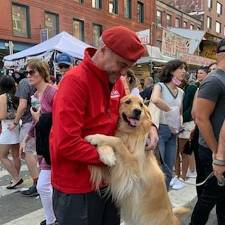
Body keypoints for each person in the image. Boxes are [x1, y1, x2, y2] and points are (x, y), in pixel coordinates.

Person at [50, 26, 158, 225]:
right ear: (103, 50)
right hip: (78, 188)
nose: (124, 72)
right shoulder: (74, 82)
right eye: (121, 64)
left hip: (109, 184)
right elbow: (66, 143)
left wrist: (150, 127)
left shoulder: (116, 80)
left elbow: (128, 115)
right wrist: (120, 158)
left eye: (128, 66)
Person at [190, 39, 225, 225]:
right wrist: (215, 152)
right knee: (208, 198)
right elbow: (200, 117)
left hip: (219, 150)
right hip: (213, 151)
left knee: (220, 197)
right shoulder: (214, 80)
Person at [20, 59, 57, 225]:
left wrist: (41, 119)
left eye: (31, 72)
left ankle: (52, 219)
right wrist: (26, 138)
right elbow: (36, 122)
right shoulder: (34, 96)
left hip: (55, 145)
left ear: (42, 73)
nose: (28, 76)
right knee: (50, 185)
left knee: (43, 185)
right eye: (27, 72)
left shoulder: (52, 92)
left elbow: (60, 119)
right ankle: (54, 218)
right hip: (43, 145)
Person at [151, 59, 186, 189]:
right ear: (171, 71)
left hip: (174, 132)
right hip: (160, 130)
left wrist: (178, 122)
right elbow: (155, 99)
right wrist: (170, 111)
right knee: (159, 168)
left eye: (185, 68)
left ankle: (164, 198)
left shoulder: (181, 92)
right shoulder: (159, 86)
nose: (184, 71)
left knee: (169, 169)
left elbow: (180, 112)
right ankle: (155, 202)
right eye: (181, 68)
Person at [9, 77, 39, 197]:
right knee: (33, 152)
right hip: (40, 119)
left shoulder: (24, 82)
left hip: (28, 121)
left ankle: (37, 183)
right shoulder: (41, 80)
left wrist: (16, 122)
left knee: (27, 151)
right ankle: (40, 181)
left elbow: (22, 105)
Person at [0, 75, 22, 189]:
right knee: (15, 155)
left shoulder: (3, 97)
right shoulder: (16, 95)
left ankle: (16, 178)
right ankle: (15, 179)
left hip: (8, 128)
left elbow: (2, 115)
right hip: (17, 125)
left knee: (2, 155)